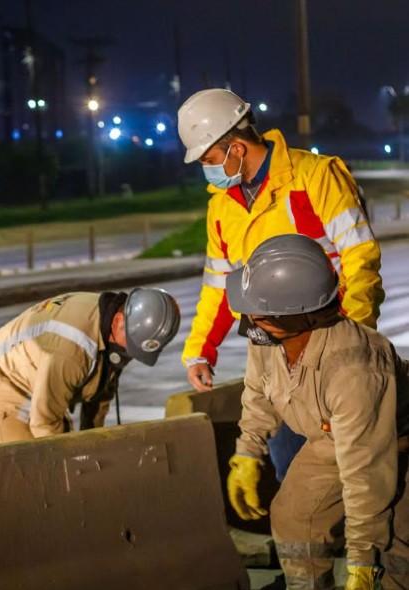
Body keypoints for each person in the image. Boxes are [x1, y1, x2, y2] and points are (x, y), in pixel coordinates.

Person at [177, 88, 384, 479]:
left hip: (330, 342)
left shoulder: (314, 177)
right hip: (274, 352)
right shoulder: (222, 208)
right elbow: (220, 285)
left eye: (209, 159)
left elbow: (361, 258)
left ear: (236, 148)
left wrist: (353, 335)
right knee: (289, 465)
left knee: (350, 464)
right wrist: (200, 350)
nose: (207, 169)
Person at [225, 234, 409, 590]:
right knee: (295, 516)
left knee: (393, 547)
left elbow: (365, 475)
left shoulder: (354, 368)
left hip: (393, 441)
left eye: (257, 313)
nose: (247, 318)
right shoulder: (268, 336)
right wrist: (247, 452)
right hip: (332, 438)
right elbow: (258, 393)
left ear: (296, 316)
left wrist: (361, 562)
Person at [0, 289, 180, 445]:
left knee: (68, 452)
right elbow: (45, 423)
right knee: (32, 477)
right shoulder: (74, 349)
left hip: (38, 388)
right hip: (1, 392)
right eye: (131, 346)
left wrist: (93, 445)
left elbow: (100, 392)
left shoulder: (112, 326)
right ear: (118, 322)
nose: (130, 355)